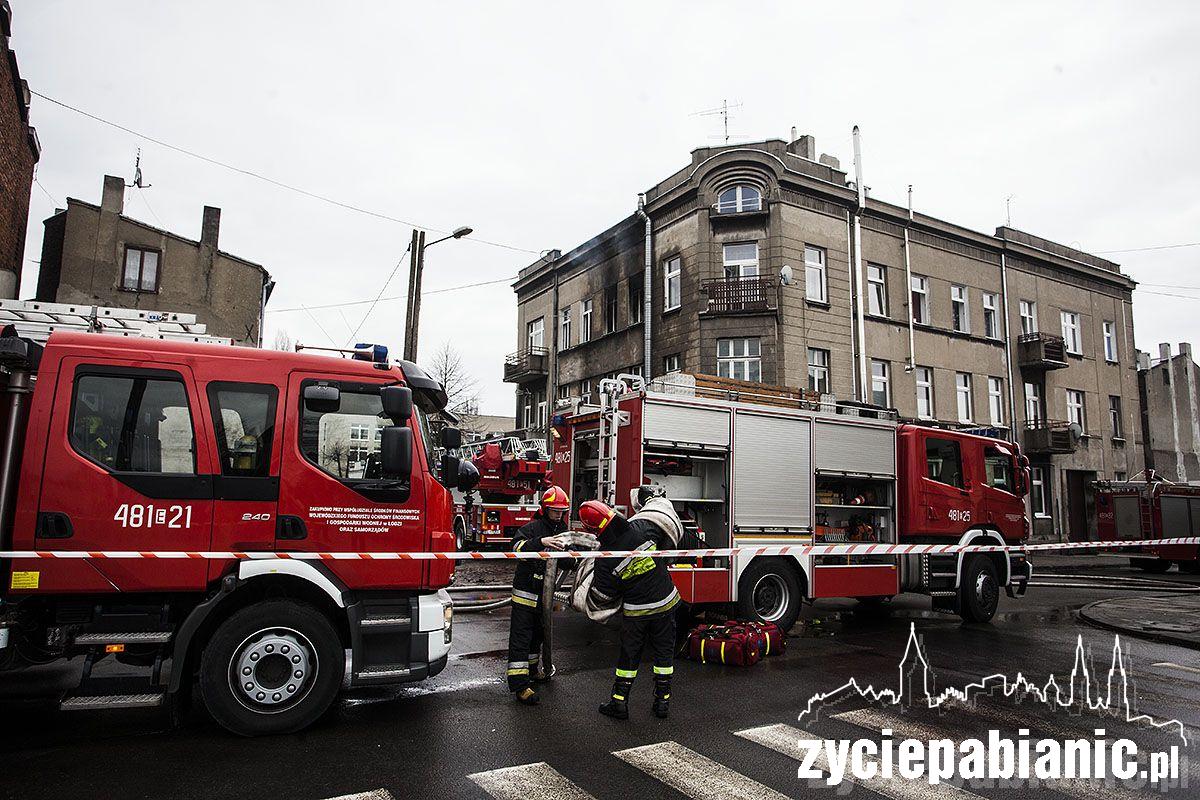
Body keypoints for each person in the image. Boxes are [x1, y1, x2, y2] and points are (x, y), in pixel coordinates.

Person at [581, 499, 680, 720]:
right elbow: (666, 535)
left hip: (638, 613)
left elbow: (603, 596)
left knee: (629, 656)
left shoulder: (605, 559)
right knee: (664, 653)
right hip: (666, 603)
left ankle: (619, 703)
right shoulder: (641, 528)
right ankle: (662, 703)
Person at [506, 484, 570, 705]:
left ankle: (533, 671)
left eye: (562, 511)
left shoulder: (561, 530)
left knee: (538, 636)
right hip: (525, 594)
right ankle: (520, 686)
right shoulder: (532, 528)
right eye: (555, 510)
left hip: (544, 596)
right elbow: (516, 548)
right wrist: (540, 543)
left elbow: (565, 561)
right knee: (521, 639)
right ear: (544, 508)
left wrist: (576, 555)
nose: (559, 514)